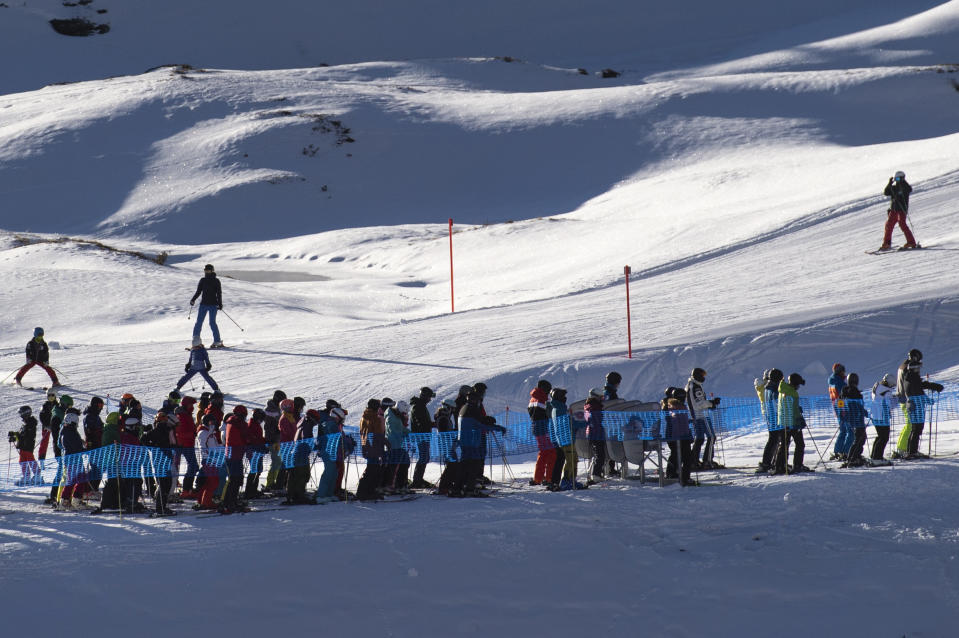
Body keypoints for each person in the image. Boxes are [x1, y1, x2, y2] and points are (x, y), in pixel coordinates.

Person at [894, 349, 943, 459]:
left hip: (905, 398)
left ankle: (905, 448)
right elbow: (916, 384)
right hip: (907, 399)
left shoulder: (903, 366)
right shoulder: (908, 369)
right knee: (911, 426)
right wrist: (929, 386)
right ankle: (904, 449)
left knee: (910, 425)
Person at [772, 373, 810, 474]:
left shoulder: (782, 389)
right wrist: (799, 418)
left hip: (783, 422)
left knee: (784, 445)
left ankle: (779, 466)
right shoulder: (793, 393)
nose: (798, 387)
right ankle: (797, 465)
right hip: (792, 422)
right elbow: (793, 410)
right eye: (798, 385)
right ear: (795, 384)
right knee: (800, 444)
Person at [685, 368, 721, 470]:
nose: (703, 377)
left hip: (695, 415)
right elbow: (700, 403)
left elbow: (698, 402)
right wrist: (711, 403)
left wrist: (710, 404)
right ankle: (707, 461)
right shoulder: (695, 387)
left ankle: (694, 461)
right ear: (697, 376)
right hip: (700, 415)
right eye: (702, 375)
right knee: (711, 437)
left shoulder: (691, 385)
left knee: (700, 438)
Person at [219, 406, 249, 514]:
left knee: (234, 479)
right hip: (236, 454)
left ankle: (230, 501)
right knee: (235, 479)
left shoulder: (230, 423)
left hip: (231, 454)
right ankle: (230, 502)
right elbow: (245, 437)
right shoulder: (239, 424)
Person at [662, 387, 694, 486]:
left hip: (674, 435)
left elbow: (679, 422)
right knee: (685, 456)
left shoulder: (671, 406)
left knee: (676, 455)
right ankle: (683, 477)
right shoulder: (677, 407)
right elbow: (677, 423)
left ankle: (673, 473)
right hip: (679, 436)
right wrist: (687, 435)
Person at [357, 398, 386, 501]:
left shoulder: (369, 416)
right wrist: (384, 441)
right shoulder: (370, 417)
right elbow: (373, 432)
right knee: (372, 470)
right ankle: (363, 492)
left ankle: (370, 491)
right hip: (372, 446)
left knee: (375, 469)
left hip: (372, 446)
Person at [879, 171, 917, 251]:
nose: (896, 180)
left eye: (898, 178)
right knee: (888, 225)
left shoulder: (905, 186)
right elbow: (886, 192)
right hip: (893, 209)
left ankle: (911, 242)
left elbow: (909, 189)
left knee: (902, 224)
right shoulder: (894, 187)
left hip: (901, 209)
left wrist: (901, 188)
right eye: (895, 178)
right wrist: (889, 184)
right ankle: (886, 243)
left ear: (902, 178)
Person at [528, 379, 556, 487]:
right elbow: (549, 414)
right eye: (548, 390)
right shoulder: (543, 399)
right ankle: (547, 478)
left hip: (537, 429)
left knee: (544, 453)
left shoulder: (533, 399)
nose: (549, 392)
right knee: (550, 453)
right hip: (544, 429)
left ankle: (539, 478)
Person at [190, 263, 224, 348]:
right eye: (205, 270)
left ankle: (217, 341)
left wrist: (220, 304)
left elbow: (219, 293)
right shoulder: (202, 280)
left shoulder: (216, 281)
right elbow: (198, 292)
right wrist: (193, 299)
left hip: (213, 305)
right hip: (203, 305)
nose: (206, 272)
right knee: (198, 323)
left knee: (212, 323)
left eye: (208, 270)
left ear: (212, 271)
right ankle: (196, 342)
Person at [838, 373, 868, 468]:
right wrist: (862, 412)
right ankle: (853, 458)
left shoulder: (844, 390)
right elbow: (858, 405)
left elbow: (840, 401)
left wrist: (842, 412)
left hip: (849, 418)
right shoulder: (855, 391)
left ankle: (854, 456)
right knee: (860, 438)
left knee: (859, 438)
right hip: (857, 418)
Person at [409, 387, 437, 489]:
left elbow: (423, 422)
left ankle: (419, 479)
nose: (430, 399)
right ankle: (417, 480)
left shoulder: (420, 406)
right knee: (423, 457)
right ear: (424, 396)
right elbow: (421, 423)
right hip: (421, 436)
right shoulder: (418, 406)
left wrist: (431, 425)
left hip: (424, 435)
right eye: (429, 397)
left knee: (425, 457)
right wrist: (432, 425)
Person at [174, 395, 200, 498]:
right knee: (193, 466)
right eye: (190, 405)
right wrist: (193, 434)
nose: (192, 407)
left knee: (193, 466)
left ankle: (188, 489)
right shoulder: (182, 416)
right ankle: (186, 490)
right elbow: (180, 433)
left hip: (188, 444)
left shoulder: (186, 415)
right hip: (185, 445)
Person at [385, 400, 412, 494]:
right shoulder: (391, 416)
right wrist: (400, 434)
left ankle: (401, 485)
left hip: (399, 444)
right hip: (394, 444)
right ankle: (390, 485)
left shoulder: (396, 415)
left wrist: (409, 433)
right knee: (394, 465)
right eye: (403, 412)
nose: (404, 414)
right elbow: (392, 429)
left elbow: (400, 428)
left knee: (404, 463)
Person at [869, 374, 897, 464]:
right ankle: (877, 458)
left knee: (880, 436)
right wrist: (896, 399)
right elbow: (890, 405)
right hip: (882, 416)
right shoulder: (887, 391)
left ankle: (874, 456)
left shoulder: (877, 386)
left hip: (875, 415)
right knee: (884, 437)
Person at [11, 406, 40, 486]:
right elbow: (21, 435)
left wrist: (17, 436)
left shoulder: (30, 424)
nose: (20, 415)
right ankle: (26, 477)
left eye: (21, 414)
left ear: (25, 414)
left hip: (27, 445)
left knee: (30, 460)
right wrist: (14, 435)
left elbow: (26, 435)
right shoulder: (26, 423)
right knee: (22, 461)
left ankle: (38, 476)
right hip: (23, 446)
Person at [585, 387, 610, 480]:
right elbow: (598, 420)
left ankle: (598, 473)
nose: (602, 399)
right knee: (600, 455)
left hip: (592, 433)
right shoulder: (596, 406)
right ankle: (596, 474)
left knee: (598, 454)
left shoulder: (588, 405)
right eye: (601, 397)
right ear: (596, 397)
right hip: (597, 433)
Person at [828, 363, 851, 461]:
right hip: (842, 409)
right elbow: (841, 397)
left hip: (837, 408)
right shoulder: (839, 383)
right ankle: (846, 452)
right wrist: (843, 410)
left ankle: (838, 451)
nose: (844, 373)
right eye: (843, 371)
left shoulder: (832, 381)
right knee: (850, 431)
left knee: (843, 430)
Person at [244, 408, 268, 499]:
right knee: (254, 470)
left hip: (258, 450)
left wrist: (265, 442)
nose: (261, 420)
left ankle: (253, 490)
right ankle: (249, 491)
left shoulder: (256, 425)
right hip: (254, 451)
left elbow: (259, 438)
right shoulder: (252, 425)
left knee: (258, 470)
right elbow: (253, 439)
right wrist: (262, 445)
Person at [83, 396, 105, 491]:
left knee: (99, 467)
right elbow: (90, 430)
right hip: (93, 445)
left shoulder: (95, 416)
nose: (101, 408)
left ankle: (92, 488)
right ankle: (90, 489)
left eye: (102, 406)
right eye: (100, 405)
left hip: (98, 444)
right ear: (95, 405)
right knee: (96, 467)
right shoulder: (89, 416)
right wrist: (100, 430)